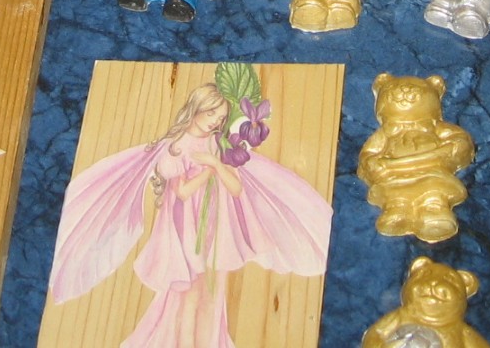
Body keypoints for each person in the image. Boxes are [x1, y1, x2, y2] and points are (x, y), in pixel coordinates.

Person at [49, 84, 330, 348]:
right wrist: (209, 170)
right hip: (189, 230)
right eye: (211, 114)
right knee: (187, 298)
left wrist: (215, 164)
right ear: (196, 108)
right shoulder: (177, 145)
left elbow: (235, 187)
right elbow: (182, 192)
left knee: (212, 294)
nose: (214, 122)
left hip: (215, 230)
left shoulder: (218, 143)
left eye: (220, 118)